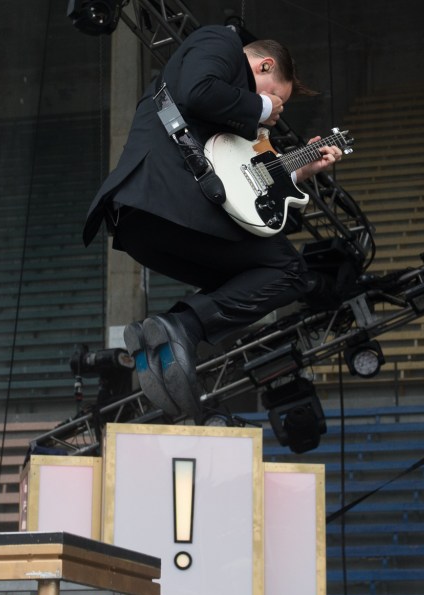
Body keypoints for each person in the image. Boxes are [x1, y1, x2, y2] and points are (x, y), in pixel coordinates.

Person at [82, 25, 343, 420]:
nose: (275, 109)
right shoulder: (220, 41)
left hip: (152, 217)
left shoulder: (223, 117)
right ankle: (181, 328)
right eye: (276, 94)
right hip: (167, 197)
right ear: (264, 64)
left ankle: (163, 339)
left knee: (248, 279)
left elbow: (240, 177)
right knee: (288, 270)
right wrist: (263, 107)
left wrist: (299, 172)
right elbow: (198, 90)